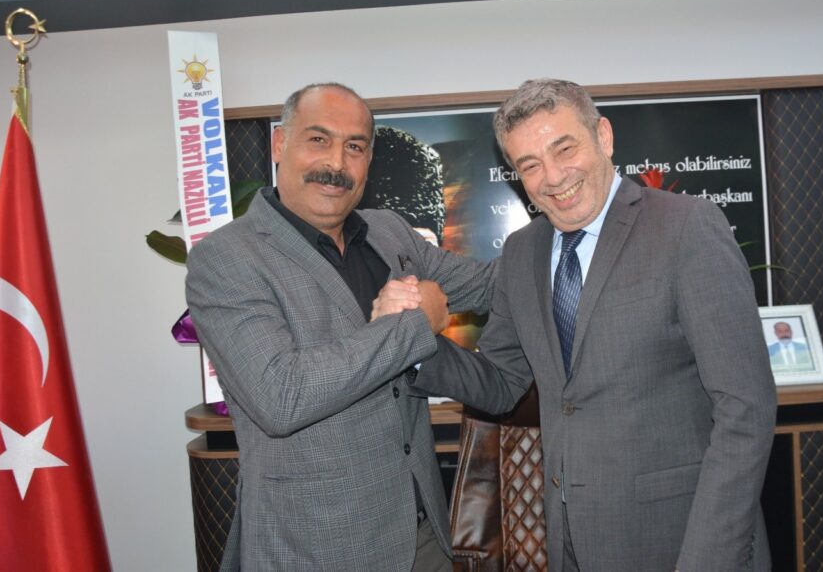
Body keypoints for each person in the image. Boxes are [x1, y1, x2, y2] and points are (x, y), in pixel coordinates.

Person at [414, 78, 777, 571]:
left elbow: (745, 410)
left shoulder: (687, 226)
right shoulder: (522, 252)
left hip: (681, 540)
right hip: (570, 542)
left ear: (603, 137)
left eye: (564, 149)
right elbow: (501, 383)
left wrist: (708, 560)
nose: (553, 177)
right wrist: (415, 342)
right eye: (530, 165)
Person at [185, 83, 494, 571]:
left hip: (423, 535)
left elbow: (487, 285)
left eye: (355, 146)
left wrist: (574, 234)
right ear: (280, 144)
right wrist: (415, 325)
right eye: (318, 139)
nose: (336, 162)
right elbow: (281, 396)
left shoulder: (389, 232)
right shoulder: (226, 258)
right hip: (315, 548)